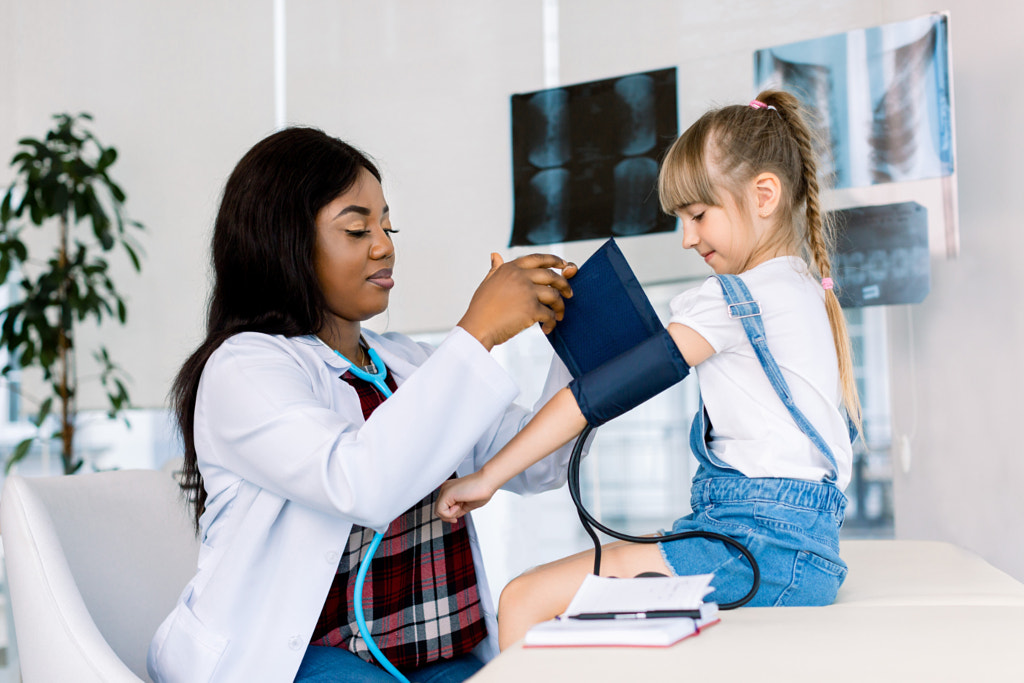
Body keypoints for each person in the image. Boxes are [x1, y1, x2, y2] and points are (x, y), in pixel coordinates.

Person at [147, 127, 581, 683]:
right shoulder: (243, 370)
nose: (384, 244)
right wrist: (478, 334)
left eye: (386, 224)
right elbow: (359, 481)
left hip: (435, 652)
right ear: (283, 243)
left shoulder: (409, 363)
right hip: (302, 657)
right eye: (357, 229)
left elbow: (541, 463)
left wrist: (577, 343)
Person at [435, 89, 863, 649]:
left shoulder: (735, 299)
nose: (687, 238)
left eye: (697, 215)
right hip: (800, 548)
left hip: (756, 545)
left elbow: (592, 400)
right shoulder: (802, 289)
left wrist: (486, 477)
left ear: (764, 195)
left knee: (523, 600)